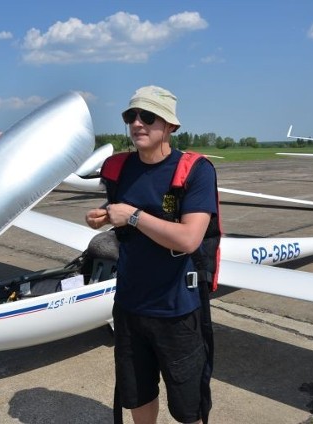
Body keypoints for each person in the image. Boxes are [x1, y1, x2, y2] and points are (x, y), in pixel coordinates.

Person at [85, 85, 219, 423]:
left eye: (148, 117)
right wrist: (101, 215)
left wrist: (131, 215)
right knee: (137, 394)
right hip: (130, 306)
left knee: (189, 405)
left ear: (171, 126)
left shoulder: (197, 171)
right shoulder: (119, 169)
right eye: (131, 116)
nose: (137, 124)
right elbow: (121, 211)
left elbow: (189, 239)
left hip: (177, 309)